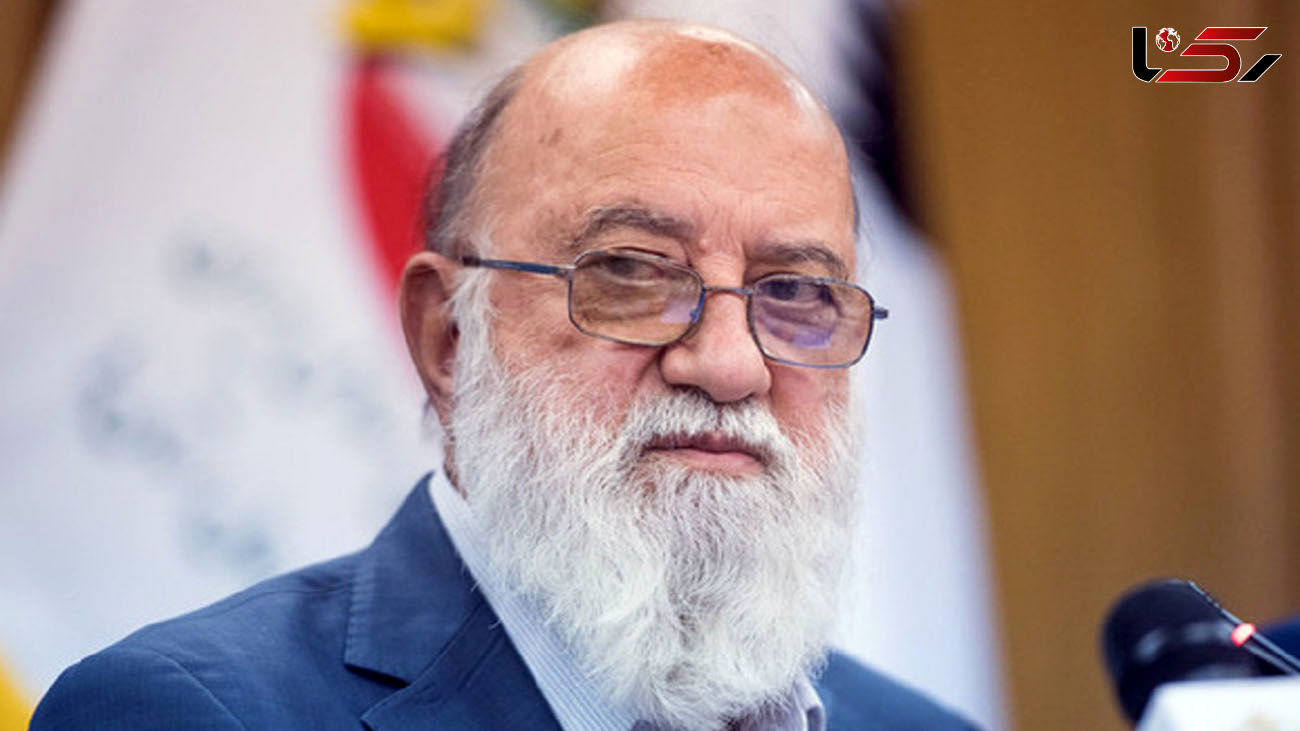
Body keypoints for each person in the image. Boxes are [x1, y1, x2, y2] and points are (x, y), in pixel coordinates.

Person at [32, 20, 976, 730]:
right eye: (630, 271)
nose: (731, 363)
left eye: (796, 291)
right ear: (448, 338)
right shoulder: (186, 712)